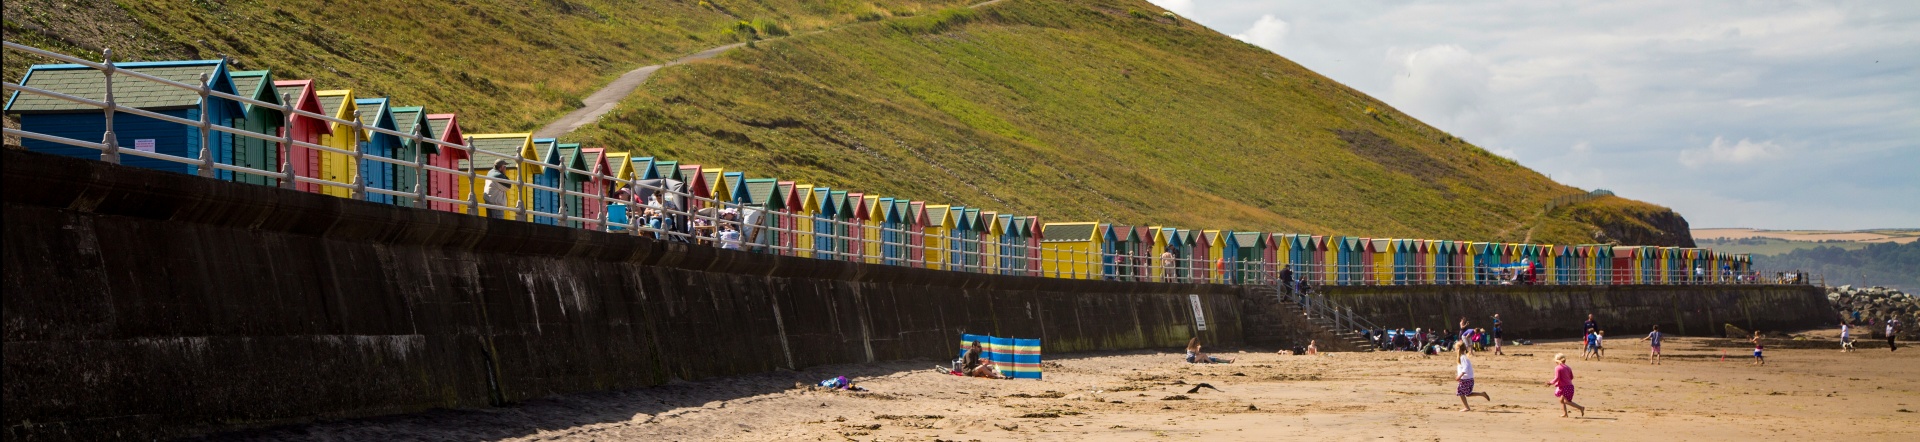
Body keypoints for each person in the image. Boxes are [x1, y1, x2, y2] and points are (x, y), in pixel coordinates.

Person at [1545, 353, 1586, 417]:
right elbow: (1571, 377)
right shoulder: (1568, 367)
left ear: (1556, 361)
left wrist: (1550, 382)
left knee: (1566, 401)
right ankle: (1565, 413)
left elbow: (1557, 378)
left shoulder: (1558, 368)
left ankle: (1581, 407)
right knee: (1561, 400)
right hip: (1570, 386)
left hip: (1565, 387)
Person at [1455, 342, 1491, 411]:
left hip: (1466, 379)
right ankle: (1482, 394)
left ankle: (1467, 407)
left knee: (1460, 392)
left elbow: (1465, 368)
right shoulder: (1462, 357)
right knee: (1467, 394)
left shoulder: (1463, 357)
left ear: (1458, 349)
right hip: (1468, 379)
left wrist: (1459, 376)